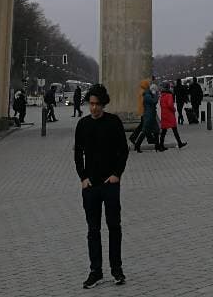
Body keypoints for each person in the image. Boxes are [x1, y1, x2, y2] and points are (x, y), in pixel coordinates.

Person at [74, 83, 129, 288]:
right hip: (91, 185)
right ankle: (95, 271)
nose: (94, 108)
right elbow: (78, 153)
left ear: (103, 104)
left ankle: (117, 270)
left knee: (114, 227)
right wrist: (83, 177)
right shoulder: (83, 125)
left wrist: (117, 174)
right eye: (91, 104)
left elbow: (123, 150)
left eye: (97, 104)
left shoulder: (113, 122)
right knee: (93, 229)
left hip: (110, 184)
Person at [133, 79, 161, 152]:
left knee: (156, 130)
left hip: (151, 115)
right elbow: (154, 101)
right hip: (149, 116)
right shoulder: (147, 95)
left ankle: (157, 146)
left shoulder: (148, 94)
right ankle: (137, 145)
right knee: (145, 131)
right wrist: (156, 95)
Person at [158, 82, 187, 149]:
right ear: (168, 88)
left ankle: (161, 145)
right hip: (169, 115)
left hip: (164, 115)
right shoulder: (169, 95)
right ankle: (179, 143)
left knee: (164, 131)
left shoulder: (162, 95)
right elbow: (170, 105)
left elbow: (161, 105)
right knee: (174, 130)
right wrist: (173, 109)